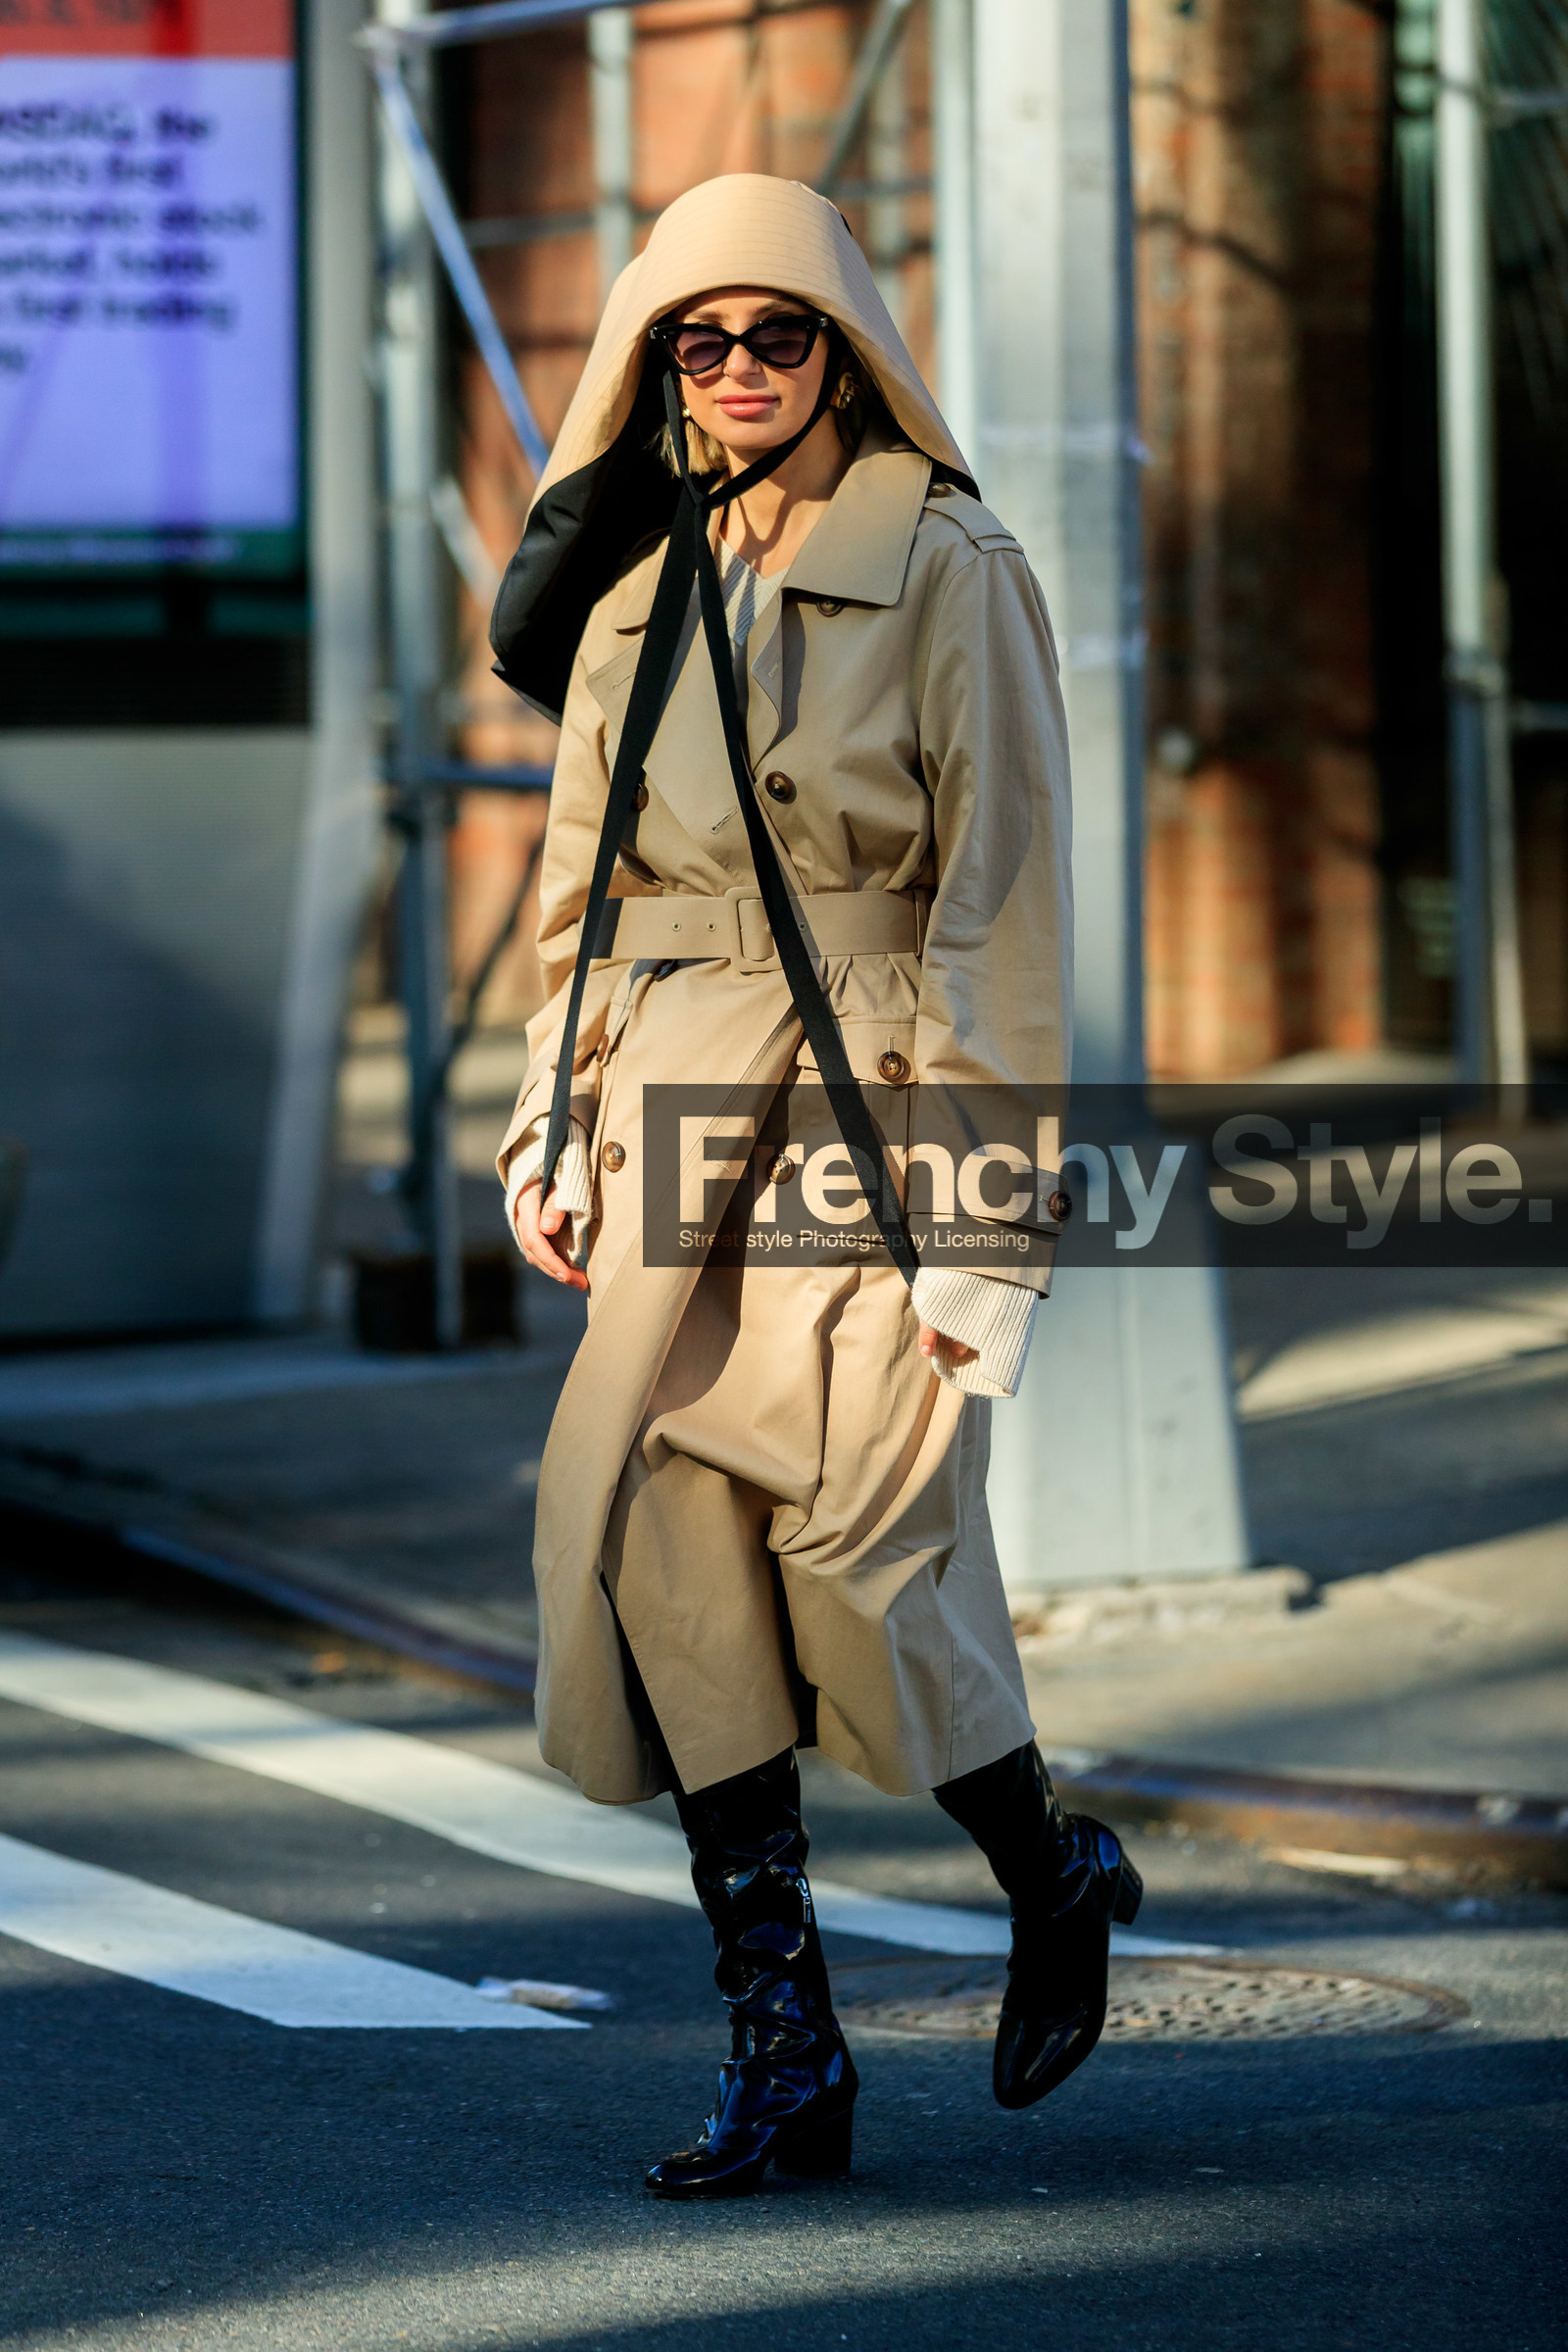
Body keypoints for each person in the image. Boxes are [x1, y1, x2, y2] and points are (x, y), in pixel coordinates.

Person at [490, 174, 1140, 2202]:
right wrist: (541, 1119)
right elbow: (572, 898)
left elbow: (1002, 911)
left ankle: (1049, 1857)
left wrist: (986, 1235)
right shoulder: (634, 590)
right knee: (671, 1549)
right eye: (703, 339)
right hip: (673, 1105)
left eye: (782, 335)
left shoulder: (950, 565)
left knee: (865, 1548)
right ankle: (787, 2047)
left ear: (845, 349)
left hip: (872, 1105)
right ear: (658, 367)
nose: (745, 370)